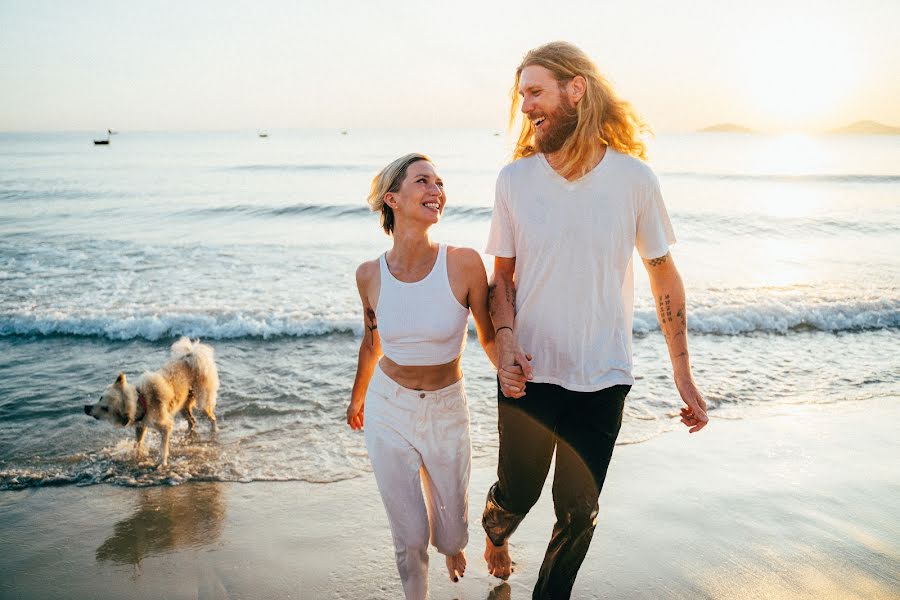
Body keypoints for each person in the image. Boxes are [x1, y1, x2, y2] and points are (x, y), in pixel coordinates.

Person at [481, 42, 710, 599]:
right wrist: (506, 345)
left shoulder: (634, 179)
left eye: (536, 92)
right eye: (522, 95)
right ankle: (495, 529)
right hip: (529, 372)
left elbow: (662, 275)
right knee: (518, 495)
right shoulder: (515, 180)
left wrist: (683, 373)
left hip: (605, 377)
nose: (526, 106)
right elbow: (500, 280)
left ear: (575, 89)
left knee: (579, 514)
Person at [347, 153, 499, 600]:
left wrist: (513, 380)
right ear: (392, 198)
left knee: (451, 536)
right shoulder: (369, 275)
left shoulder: (465, 263)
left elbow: (489, 339)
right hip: (387, 407)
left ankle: (456, 545)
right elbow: (371, 344)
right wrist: (357, 400)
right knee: (410, 538)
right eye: (423, 181)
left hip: (447, 408)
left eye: (439, 182)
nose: (437, 190)